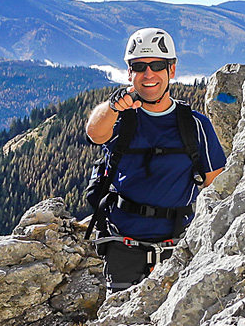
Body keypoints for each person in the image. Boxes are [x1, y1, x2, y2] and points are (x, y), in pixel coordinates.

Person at [85, 27, 226, 292]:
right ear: (129, 73)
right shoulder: (120, 118)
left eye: (157, 65)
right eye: (139, 66)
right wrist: (114, 106)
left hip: (179, 247)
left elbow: (215, 186)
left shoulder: (195, 125)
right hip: (122, 246)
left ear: (171, 70)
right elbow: (95, 133)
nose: (148, 74)